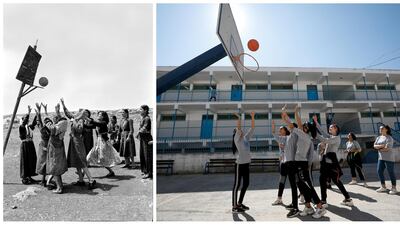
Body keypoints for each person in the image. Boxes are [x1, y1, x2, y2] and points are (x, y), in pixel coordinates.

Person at [282, 107, 326, 219]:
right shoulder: (303, 134)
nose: (304, 127)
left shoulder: (305, 136)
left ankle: (320, 207)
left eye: (306, 126)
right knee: (301, 186)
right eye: (304, 126)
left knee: (307, 187)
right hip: (298, 163)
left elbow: (293, 125)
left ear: (309, 130)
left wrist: (286, 117)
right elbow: (299, 123)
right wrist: (295, 112)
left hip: (302, 164)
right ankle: (308, 207)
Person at [313, 115, 354, 207]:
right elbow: (323, 132)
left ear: (336, 129)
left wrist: (315, 133)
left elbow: (324, 140)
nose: (329, 128)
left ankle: (324, 201)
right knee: (332, 181)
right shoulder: (331, 136)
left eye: (331, 127)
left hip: (330, 162)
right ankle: (347, 199)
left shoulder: (336, 138)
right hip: (327, 161)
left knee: (326, 180)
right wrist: (316, 122)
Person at [232, 111, 255, 213]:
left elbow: (252, 128)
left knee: (246, 184)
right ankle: (234, 206)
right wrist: (239, 118)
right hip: (239, 165)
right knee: (237, 185)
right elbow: (239, 127)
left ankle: (240, 203)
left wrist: (253, 117)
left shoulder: (245, 138)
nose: (240, 131)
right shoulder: (237, 139)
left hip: (246, 164)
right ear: (236, 133)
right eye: (238, 130)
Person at [86, 111, 121, 177]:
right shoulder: (99, 123)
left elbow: (94, 123)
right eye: (98, 114)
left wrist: (85, 117)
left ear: (103, 116)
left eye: (100, 114)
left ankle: (111, 172)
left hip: (104, 143)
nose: (98, 115)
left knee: (102, 159)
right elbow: (89, 126)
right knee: (89, 157)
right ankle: (82, 173)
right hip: (99, 143)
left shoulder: (103, 123)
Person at [46, 103, 68, 194]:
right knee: (57, 167)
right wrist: (57, 111)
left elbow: (52, 130)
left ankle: (59, 188)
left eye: (55, 118)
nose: (54, 119)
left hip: (55, 150)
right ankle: (60, 185)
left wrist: (48, 124)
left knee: (55, 168)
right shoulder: (63, 124)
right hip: (58, 148)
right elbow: (60, 119)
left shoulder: (57, 128)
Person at [271, 120, 290, 206]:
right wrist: (280, 156)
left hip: (289, 162)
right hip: (282, 162)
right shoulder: (280, 139)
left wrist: (284, 147)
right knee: (281, 181)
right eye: (279, 129)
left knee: (296, 181)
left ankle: (302, 195)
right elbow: (281, 150)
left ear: (285, 131)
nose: (280, 130)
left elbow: (289, 149)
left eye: (281, 129)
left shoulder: (288, 138)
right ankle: (279, 198)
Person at [374, 125, 397, 194]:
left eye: (382, 128)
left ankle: (394, 188)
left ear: (386, 129)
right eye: (380, 128)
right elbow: (374, 146)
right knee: (379, 171)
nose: (380, 129)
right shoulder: (378, 137)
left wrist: (379, 149)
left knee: (390, 172)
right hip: (381, 158)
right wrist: (381, 146)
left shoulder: (389, 138)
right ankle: (383, 187)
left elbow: (387, 148)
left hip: (389, 158)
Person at [19, 105, 38, 185]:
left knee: (31, 160)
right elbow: (24, 122)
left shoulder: (28, 127)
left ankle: (30, 177)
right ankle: (24, 178)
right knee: (25, 161)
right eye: (25, 120)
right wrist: (28, 112)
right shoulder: (21, 127)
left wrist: (37, 113)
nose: (26, 121)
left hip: (30, 144)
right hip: (25, 145)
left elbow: (34, 123)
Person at [34, 103, 51, 186]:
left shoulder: (51, 129)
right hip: (44, 147)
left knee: (49, 163)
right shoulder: (43, 130)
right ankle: (43, 180)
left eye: (49, 123)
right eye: (47, 123)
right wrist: (39, 113)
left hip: (49, 147)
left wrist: (44, 110)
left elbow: (47, 119)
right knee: (43, 163)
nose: (48, 124)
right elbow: (40, 121)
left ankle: (46, 180)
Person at [136, 105, 153, 179]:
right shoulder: (142, 118)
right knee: (142, 155)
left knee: (147, 156)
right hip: (142, 139)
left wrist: (138, 133)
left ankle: (149, 173)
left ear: (145, 110)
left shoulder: (147, 118)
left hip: (146, 139)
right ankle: (145, 171)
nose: (139, 110)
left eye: (141, 109)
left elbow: (144, 128)